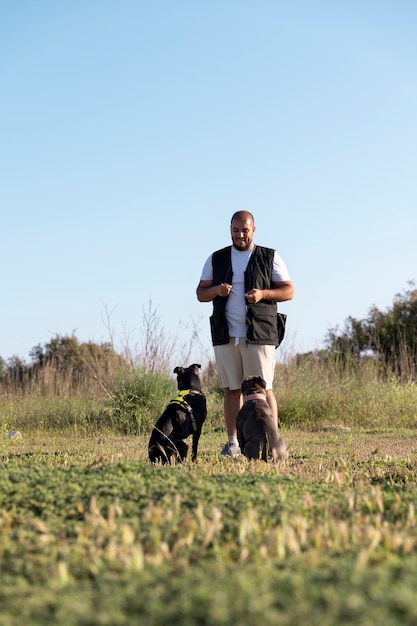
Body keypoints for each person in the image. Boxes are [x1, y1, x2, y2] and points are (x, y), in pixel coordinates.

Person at [196, 211, 294, 457]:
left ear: (254, 230)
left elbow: (289, 291)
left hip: (260, 333)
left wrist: (263, 294)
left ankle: (273, 440)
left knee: (264, 389)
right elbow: (200, 293)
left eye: (245, 230)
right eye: (236, 230)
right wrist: (217, 290)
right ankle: (233, 444)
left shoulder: (270, 257)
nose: (240, 235)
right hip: (226, 334)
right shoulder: (216, 259)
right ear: (230, 230)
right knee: (231, 390)